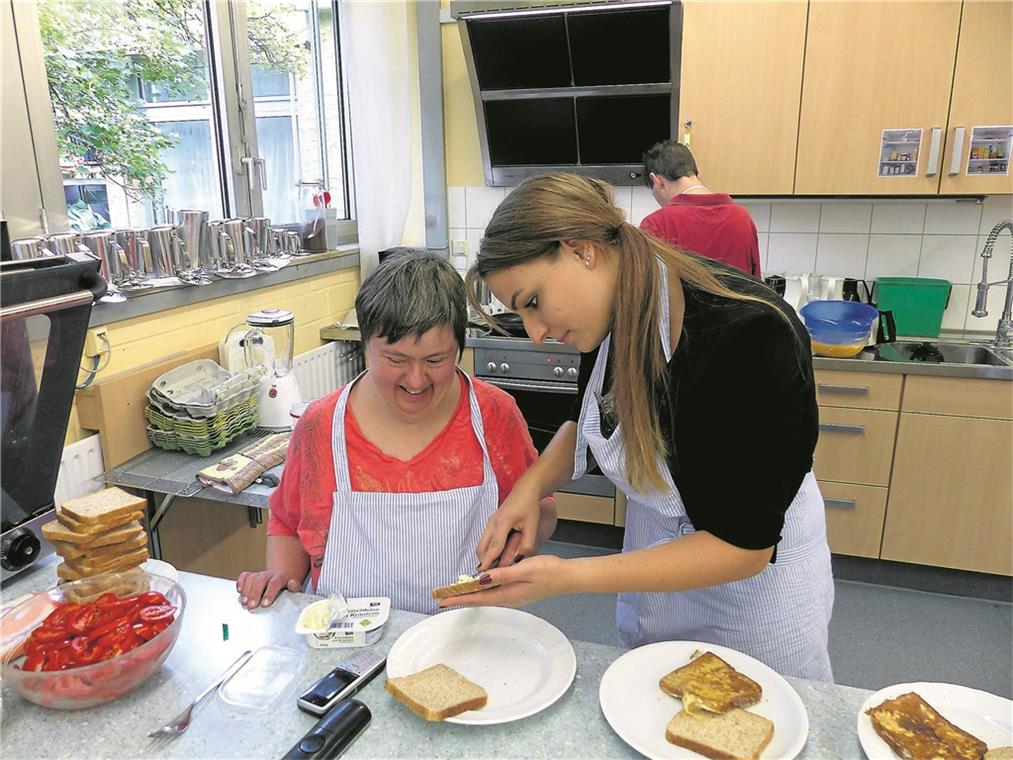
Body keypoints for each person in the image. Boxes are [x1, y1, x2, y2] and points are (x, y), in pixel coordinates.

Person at [452, 173, 834, 682]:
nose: (538, 334)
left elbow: (744, 546)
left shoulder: (751, 334)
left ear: (581, 251)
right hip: (657, 575)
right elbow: (590, 420)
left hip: (752, 603)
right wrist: (532, 484)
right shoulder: (609, 311)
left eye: (534, 302)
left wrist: (568, 576)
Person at [236, 251, 556, 614]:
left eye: (436, 360)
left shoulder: (493, 415)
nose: (416, 381)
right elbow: (288, 524)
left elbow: (542, 508)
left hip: (469, 639)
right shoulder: (322, 426)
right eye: (395, 360)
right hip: (349, 644)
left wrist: (521, 539)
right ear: (365, 345)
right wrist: (278, 576)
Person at [640, 140, 761, 277]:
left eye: (653, 191)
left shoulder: (656, 224)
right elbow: (756, 287)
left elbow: (650, 290)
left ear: (656, 180)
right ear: (698, 174)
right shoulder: (742, 217)